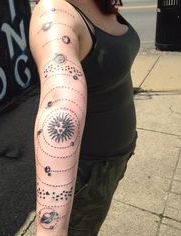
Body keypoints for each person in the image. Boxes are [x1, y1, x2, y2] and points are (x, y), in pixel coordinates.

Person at [29, 0, 140, 235]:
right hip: (89, 172)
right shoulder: (55, 13)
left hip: (116, 157)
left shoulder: (98, 3)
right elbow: (60, 102)